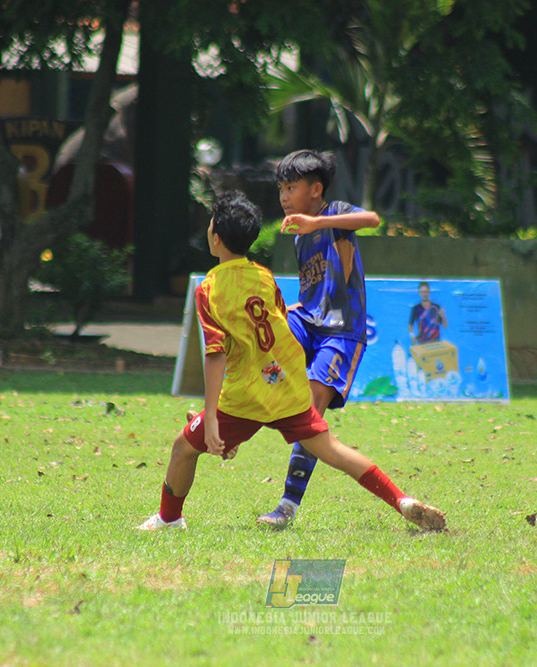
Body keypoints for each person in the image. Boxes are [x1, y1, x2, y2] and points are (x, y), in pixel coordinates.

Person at [138, 191, 445, 533]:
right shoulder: (263, 276)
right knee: (332, 450)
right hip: (287, 383)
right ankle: (401, 500)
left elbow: (216, 353)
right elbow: (281, 323)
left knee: (183, 447)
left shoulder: (208, 289)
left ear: (216, 237)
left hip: (246, 396)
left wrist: (211, 419)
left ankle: (169, 519)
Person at [256, 149, 380, 529]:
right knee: (262, 333)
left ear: (316, 190)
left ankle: (287, 507)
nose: (283, 196)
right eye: (280, 188)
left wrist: (316, 223)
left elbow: (372, 218)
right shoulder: (299, 233)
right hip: (311, 320)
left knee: (311, 413)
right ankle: (253, 400)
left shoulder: (333, 214)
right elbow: (317, 285)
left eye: (290, 187)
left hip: (342, 331)